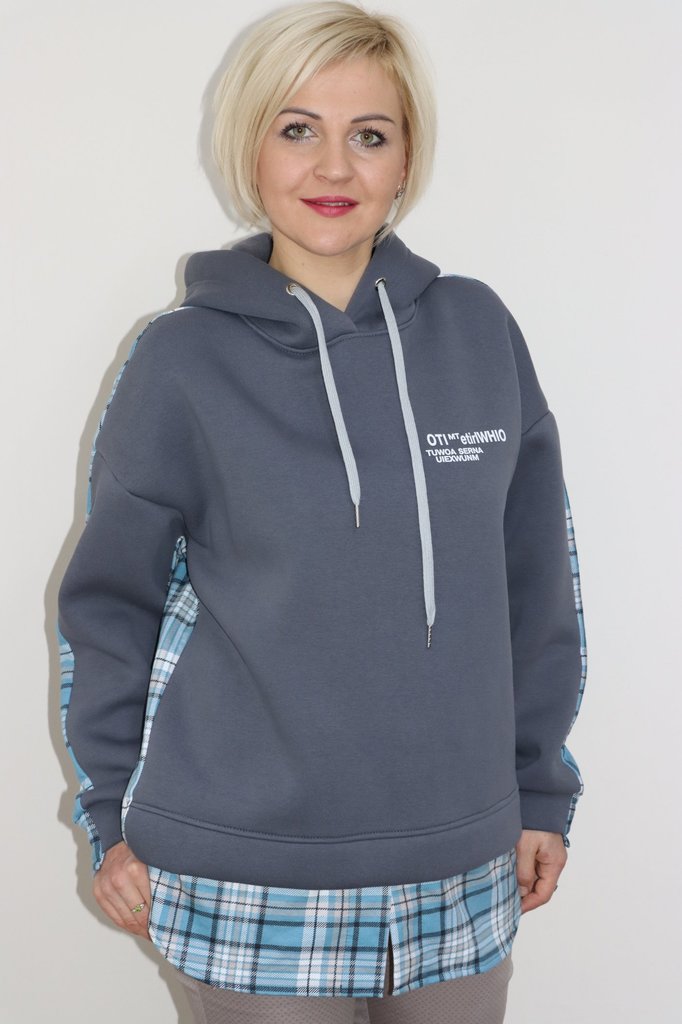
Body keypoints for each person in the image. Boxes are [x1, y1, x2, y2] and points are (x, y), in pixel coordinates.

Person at [56, 2, 588, 1022]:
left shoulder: (478, 332)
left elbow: (538, 589)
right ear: (249, 148)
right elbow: (108, 609)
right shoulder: (180, 361)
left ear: (406, 158)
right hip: (243, 872)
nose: (334, 167)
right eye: (297, 128)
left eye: (369, 135)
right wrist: (111, 815)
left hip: (461, 861)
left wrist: (539, 789)